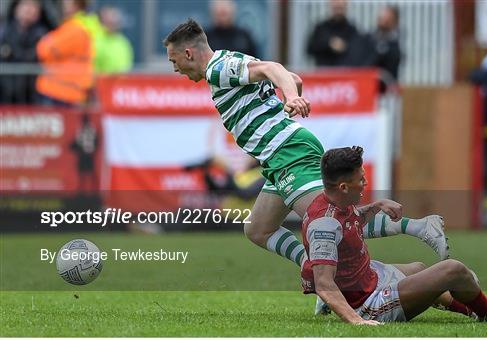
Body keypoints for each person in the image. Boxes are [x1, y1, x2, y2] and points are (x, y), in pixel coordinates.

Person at [163, 19, 450, 310]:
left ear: (188, 54)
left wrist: (292, 97)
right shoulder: (230, 59)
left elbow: (274, 69)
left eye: (174, 61)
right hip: (278, 158)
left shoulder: (217, 68)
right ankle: (314, 267)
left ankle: (418, 228)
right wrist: (291, 90)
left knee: (332, 224)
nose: (175, 69)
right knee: (258, 228)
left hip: (289, 152)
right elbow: (290, 75)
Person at [301, 146, 487, 324]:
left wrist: (377, 205)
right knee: (453, 270)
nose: (365, 182)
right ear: (343, 186)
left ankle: (471, 309)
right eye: (360, 179)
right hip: (368, 303)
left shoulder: (336, 200)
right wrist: (357, 321)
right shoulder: (325, 225)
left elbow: (350, 222)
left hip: (371, 277)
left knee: (420, 269)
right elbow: (323, 283)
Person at [36, 0, 93, 107]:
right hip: (63, 90)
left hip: (63, 90)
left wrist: (47, 40)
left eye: (67, 3)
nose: (62, 6)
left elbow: (44, 51)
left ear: (77, 6)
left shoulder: (76, 28)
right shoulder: (71, 26)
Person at [0, 0, 48, 104]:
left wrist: (12, 53)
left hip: (32, 93)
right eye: (25, 5)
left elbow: (36, 55)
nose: (29, 10)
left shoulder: (42, 34)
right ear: (16, 8)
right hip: (6, 92)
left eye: (33, 6)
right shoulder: (5, 32)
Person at [307, 0, 360, 67]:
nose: (338, 10)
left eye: (340, 7)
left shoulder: (352, 30)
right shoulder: (321, 28)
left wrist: (344, 47)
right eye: (336, 7)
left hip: (346, 72)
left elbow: (357, 52)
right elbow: (310, 49)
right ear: (331, 6)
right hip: (323, 72)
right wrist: (329, 44)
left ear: (346, 7)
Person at [94, 6, 133, 74]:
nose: (113, 22)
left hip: (121, 82)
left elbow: (127, 67)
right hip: (101, 82)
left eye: (115, 20)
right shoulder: (94, 40)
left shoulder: (123, 42)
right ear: (102, 22)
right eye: (109, 20)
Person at [368, 5, 402, 81]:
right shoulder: (369, 38)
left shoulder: (394, 44)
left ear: (394, 22)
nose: (382, 22)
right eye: (380, 19)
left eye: (387, 20)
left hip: (386, 87)